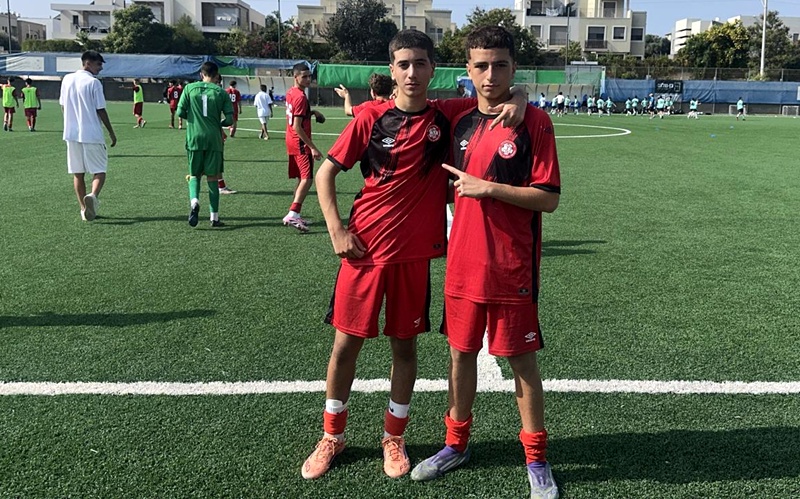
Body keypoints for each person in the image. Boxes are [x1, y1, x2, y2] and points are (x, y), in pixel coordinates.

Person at [303, 29, 527, 481]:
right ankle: (332, 435)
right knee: (345, 346)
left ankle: (394, 437)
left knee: (404, 349)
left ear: (432, 69)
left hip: (413, 258)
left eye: (420, 63)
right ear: (392, 70)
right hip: (364, 253)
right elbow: (325, 174)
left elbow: (496, 92)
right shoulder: (370, 118)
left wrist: (520, 96)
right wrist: (336, 230)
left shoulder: (448, 115)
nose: (412, 72)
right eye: (403, 64)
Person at [409, 26, 560, 499]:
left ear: (514, 68)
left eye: (500, 66)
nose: (490, 75)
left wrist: (488, 187)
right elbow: (410, 101)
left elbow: (548, 198)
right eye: (481, 66)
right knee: (459, 355)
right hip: (462, 265)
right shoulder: (456, 116)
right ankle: (455, 445)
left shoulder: (535, 123)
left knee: (522, 363)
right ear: (467, 70)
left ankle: (536, 460)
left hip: (512, 268)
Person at [59, 50, 117, 221]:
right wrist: (111, 131)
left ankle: (84, 210)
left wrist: (69, 122)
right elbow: (100, 109)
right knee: (99, 170)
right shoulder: (94, 82)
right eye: (98, 64)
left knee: (78, 173)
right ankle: (93, 195)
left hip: (71, 134)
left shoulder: (67, 79)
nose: (101, 68)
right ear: (88, 63)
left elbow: (63, 105)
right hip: (91, 133)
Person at [176, 61, 234, 228]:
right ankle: (214, 218)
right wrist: (217, 123)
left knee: (194, 175)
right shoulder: (221, 93)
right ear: (217, 75)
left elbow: (180, 111)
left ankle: (194, 202)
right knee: (213, 177)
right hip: (214, 139)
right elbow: (229, 120)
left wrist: (194, 119)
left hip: (194, 137)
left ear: (201, 74)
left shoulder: (189, 88)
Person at [282, 62, 326, 232]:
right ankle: (293, 214)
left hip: (291, 141)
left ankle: (295, 213)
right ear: (295, 77)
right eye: (304, 76)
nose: (308, 79)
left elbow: (296, 115)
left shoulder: (291, 92)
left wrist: (313, 113)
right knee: (307, 179)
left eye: (309, 76)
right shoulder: (300, 97)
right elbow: (297, 126)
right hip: (299, 143)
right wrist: (312, 147)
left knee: (301, 179)